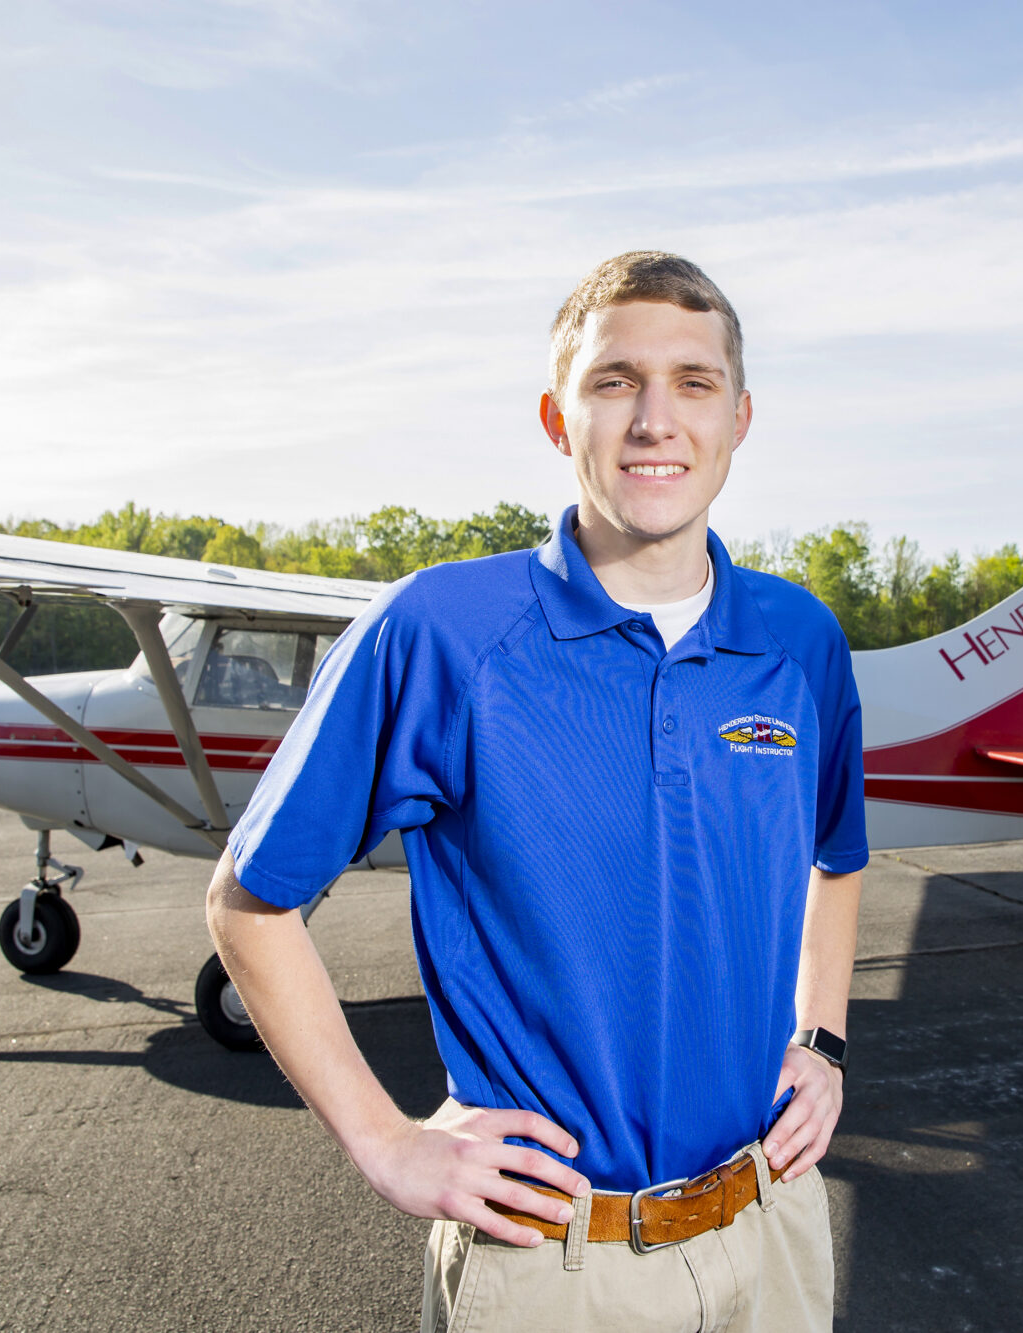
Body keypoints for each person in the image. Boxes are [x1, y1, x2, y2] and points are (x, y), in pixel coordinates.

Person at [206, 251, 868, 1331]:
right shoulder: (442, 631)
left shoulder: (800, 640)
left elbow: (833, 857)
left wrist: (823, 1041)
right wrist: (386, 1141)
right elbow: (249, 902)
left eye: (693, 382)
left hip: (772, 1227)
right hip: (552, 1266)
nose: (656, 419)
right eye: (614, 381)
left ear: (739, 418)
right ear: (559, 420)